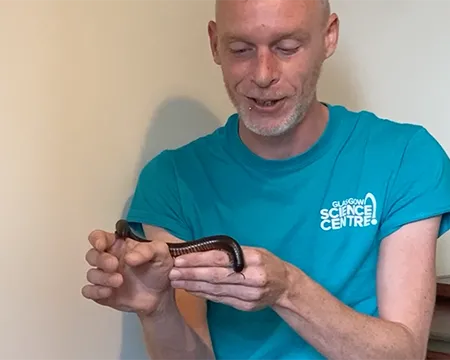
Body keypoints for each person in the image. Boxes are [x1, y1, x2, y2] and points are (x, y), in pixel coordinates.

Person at [81, 0, 450, 359]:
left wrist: (287, 289)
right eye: (240, 49)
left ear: (329, 37)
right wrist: (157, 310)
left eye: (287, 47)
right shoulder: (173, 180)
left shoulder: (405, 157)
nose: (262, 74)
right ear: (214, 45)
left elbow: (404, 354)